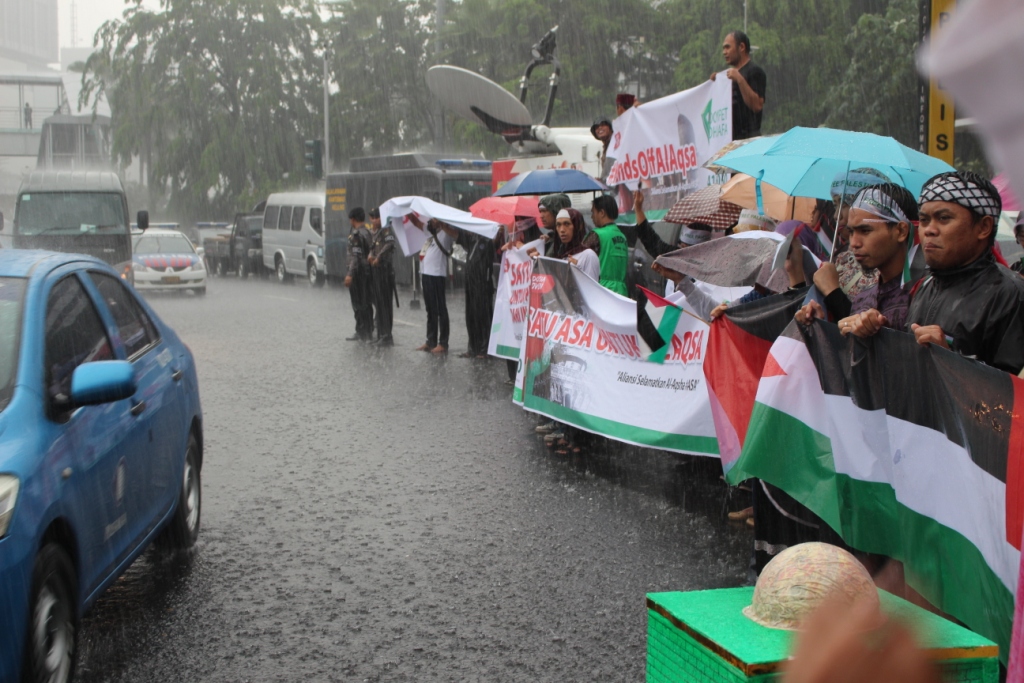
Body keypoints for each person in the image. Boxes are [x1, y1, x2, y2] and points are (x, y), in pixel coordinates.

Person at [845, 171, 1024, 375]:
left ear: (983, 227)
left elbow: (1013, 393)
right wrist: (875, 336)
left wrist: (951, 359)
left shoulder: (1012, 295)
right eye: (924, 220)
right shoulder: (925, 286)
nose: (929, 230)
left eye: (944, 218)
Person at [797, 184, 918, 330]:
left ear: (900, 231)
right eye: (851, 232)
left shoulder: (923, 296)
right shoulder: (863, 300)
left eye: (865, 230)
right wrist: (821, 324)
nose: (854, 243)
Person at [412, 217, 456, 354]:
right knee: (430, 309)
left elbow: (454, 233)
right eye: (431, 220)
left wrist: (442, 224)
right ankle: (430, 340)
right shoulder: (429, 234)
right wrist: (408, 212)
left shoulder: (445, 233)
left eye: (434, 220)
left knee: (440, 309)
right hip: (426, 274)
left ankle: (443, 343)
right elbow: (418, 223)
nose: (431, 222)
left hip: (437, 275)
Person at [710, 31, 765, 140]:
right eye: (723, 49)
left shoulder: (754, 71)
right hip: (729, 141)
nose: (724, 52)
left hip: (748, 140)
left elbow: (757, 105)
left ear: (741, 47)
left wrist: (739, 79)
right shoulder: (728, 77)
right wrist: (716, 83)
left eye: (727, 47)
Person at [456, 229, 496, 358]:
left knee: (483, 317)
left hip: (483, 284)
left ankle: (485, 349)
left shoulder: (487, 241)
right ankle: (473, 347)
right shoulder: (471, 240)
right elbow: (457, 235)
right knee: (471, 316)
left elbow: (493, 250)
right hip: (470, 283)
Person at [584, 195, 629, 296]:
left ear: (602, 213)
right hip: (621, 292)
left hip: (602, 291)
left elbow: (581, 258)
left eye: (593, 212)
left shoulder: (596, 235)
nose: (592, 217)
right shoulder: (622, 236)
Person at [344, 207, 374, 341]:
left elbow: (355, 257)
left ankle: (361, 330)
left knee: (358, 303)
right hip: (367, 272)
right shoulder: (367, 232)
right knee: (366, 302)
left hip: (358, 273)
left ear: (353, 219)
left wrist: (350, 274)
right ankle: (368, 330)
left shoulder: (356, 235)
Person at [367, 208, 396, 346]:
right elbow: (371, 248)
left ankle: (387, 335)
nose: (375, 220)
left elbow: (390, 244)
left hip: (385, 271)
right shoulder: (372, 232)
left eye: (377, 217)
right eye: (372, 218)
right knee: (378, 303)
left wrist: (378, 257)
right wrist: (370, 256)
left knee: (385, 304)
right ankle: (380, 334)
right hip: (375, 271)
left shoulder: (386, 230)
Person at [590, 116, 615, 180]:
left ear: (610, 128)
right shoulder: (606, 147)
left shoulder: (616, 143)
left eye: (603, 125)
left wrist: (602, 180)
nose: (600, 128)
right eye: (597, 127)